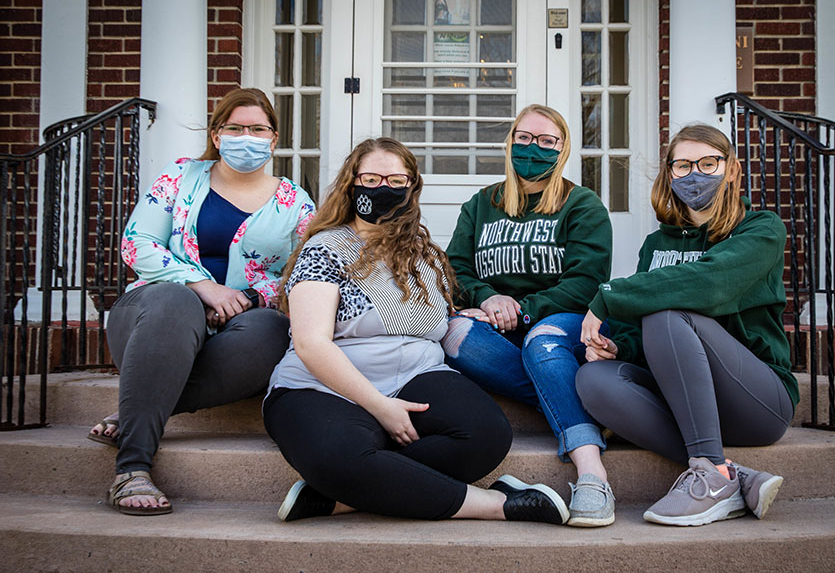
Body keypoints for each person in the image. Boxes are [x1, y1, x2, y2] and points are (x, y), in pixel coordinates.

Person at [264, 137, 569, 525]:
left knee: (486, 435)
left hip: (415, 374)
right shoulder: (325, 249)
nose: (383, 189)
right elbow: (310, 343)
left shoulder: (425, 255)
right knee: (337, 457)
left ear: (412, 188)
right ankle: (499, 505)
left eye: (396, 180)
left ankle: (342, 494)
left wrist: (467, 314)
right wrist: (380, 407)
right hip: (323, 385)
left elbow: (430, 320)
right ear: (351, 184)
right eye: (371, 179)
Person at [87, 88, 316, 515]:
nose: (246, 137)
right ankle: (131, 468)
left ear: (274, 138)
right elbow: (138, 244)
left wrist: (247, 296)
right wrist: (202, 286)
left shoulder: (295, 201)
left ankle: (138, 412)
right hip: (155, 316)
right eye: (235, 128)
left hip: (240, 331)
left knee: (277, 329)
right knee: (177, 302)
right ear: (217, 134)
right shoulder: (179, 177)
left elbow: (301, 274)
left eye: (258, 129)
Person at [576, 123, 797, 527]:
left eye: (708, 163)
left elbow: (709, 283)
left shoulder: (761, 229)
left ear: (732, 170)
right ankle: (725, 471)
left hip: (756, 400)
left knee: (667, 308)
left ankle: (710, 477)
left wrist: (610, 295)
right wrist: (619, 348)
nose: (695, 174)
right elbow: (641, 336)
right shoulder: (657, 245)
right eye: (683, 166)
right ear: (669, 173)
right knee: (593, 379)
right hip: (686, 404)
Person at [441, 104, 622, 527]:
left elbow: (587, 281)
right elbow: (455, 269)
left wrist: (523, 312)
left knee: (542, 339)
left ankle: (592, 472)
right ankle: (574, 404)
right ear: (509, 143)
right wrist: (487, 299)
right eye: (523, 138)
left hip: (562, 321)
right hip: (496, 326)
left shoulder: (582, 205)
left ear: (562, 150)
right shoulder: (481, 204)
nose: (533, 148)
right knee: (450, 331)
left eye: (546, 141)